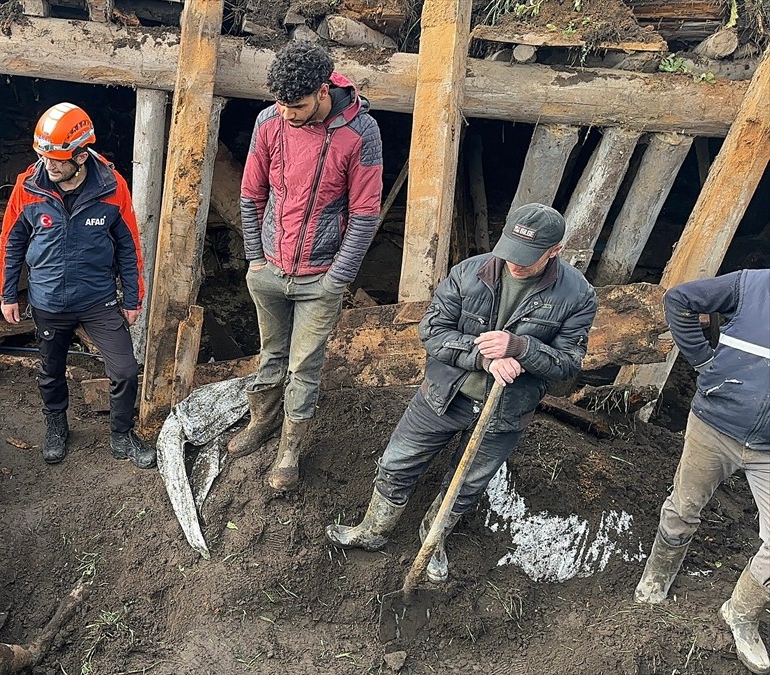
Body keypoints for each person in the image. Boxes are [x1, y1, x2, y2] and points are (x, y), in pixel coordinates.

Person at [325, 203, 598, 583]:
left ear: (555, 251)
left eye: (527, 257)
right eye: (511, 252)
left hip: (505, 410)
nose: (514, 264)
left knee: (465, 485)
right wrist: (484, 358)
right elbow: (433, 332)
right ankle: (374, 530)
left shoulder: (578, 295)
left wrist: (522, 348)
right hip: (443, 395)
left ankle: (432, 539)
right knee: (396, 463)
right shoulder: (469, 273)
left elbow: (568, 363)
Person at [230, 41, 384, 491]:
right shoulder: (269, 122)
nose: (288, 114)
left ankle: (289, 450)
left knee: (303, 367)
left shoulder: (361, 132)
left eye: (296, 106)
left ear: (322, 91)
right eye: (281, 104)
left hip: (320, 277)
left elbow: (365, 213)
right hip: (269, 269)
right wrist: (255, 259)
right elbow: (251, 194)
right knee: (271, 355)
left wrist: (338, 278)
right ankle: (262, 422)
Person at [0, 102, 155, 469]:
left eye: (57, 159)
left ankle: (121, 434)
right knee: (50, 369)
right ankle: (56, 426)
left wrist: (133, 298)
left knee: (125, 369)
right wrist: (7, 293)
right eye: (43, 156)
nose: (48, 165)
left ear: (81, 156)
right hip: (48, 299)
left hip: (97, 299)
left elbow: (129, 246)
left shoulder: (112, 187)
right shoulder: (28, 187)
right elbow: (11, 242)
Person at [632, 269, 770, 673]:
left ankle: (741, 614)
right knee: (684, 507)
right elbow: (679, 299)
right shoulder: (752, 285)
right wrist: (705, 363)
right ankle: (657, 578)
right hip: (715, 425)